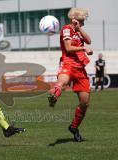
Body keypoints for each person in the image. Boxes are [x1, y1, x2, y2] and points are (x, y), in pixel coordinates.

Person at [48, 8, 93, 142]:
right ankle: (54, 95)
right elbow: (68, 48)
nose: (85, 20)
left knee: (85, 103)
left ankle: (74, 127)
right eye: (84, 18)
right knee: (61, 83)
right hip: (68, 63)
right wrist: (83, 48)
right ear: (78, 18)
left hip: (80, 68)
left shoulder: (78, 30)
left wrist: (79, 29)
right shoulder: (66, 29)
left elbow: (89, 40)